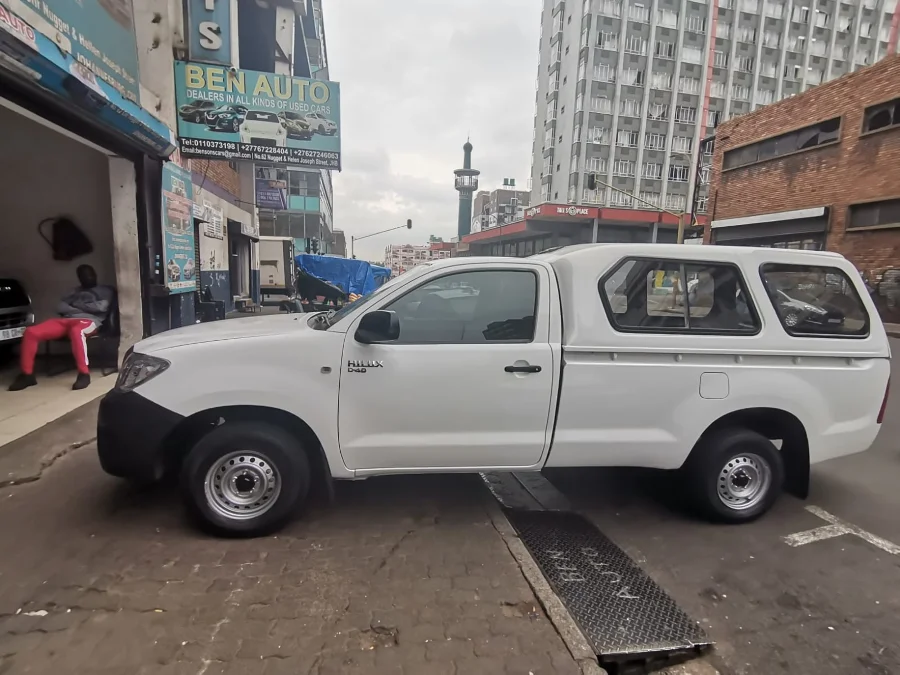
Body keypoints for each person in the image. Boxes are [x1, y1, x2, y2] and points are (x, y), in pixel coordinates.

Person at [8, 265, 115, 392]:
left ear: (95, 275)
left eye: (90, 275)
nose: (88, 278)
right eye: (83, 276)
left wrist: (76, 305)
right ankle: (27, 375)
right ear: (79, 278)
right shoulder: (73, 291)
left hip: (89, 321)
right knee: (31, 332)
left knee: (76, 331)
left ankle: (84, 374)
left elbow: (101, 307)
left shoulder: (106, 290)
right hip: (65, 321)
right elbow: (60, 307)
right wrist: (84, 307)